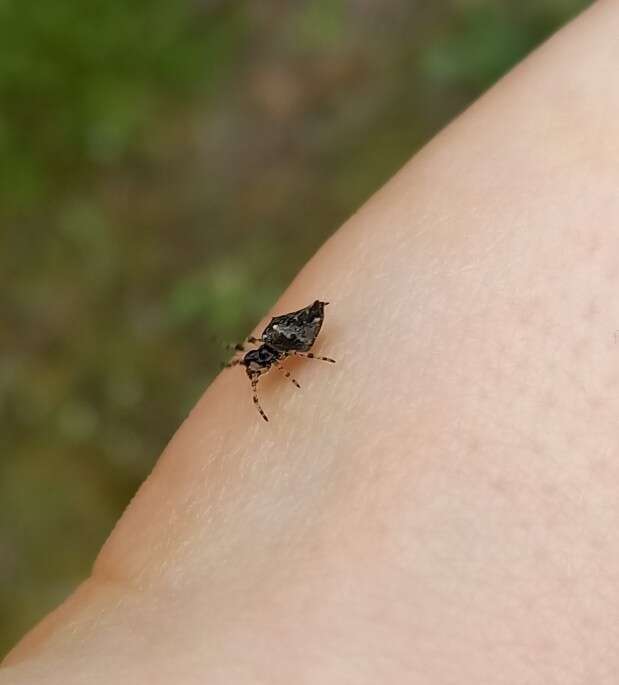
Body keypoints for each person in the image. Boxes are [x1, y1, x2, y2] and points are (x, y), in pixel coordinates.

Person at [3, 1, 619, 682]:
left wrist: (301, 355)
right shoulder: (265, 352)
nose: (255, 371)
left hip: (302, 326)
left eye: (257, 367)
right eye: (257, 368)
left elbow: (274, 348)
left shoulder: (279, 347)